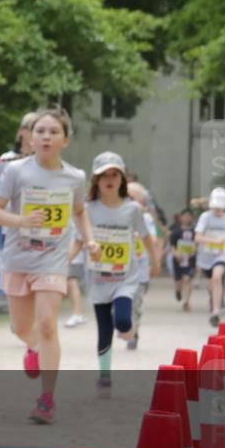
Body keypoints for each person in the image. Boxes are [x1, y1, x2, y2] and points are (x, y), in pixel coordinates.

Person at [0, 107, 98, 424]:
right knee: (21, 327)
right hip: (18, 258)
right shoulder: (16, 172)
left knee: (48, 323)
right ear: (29, 138)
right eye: (40, 131)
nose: (46, 136)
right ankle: (33, 347)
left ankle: (47, 399)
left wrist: (89, 240)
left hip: (53, 258)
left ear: (65, 139)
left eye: (53, 132)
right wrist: (21, 220)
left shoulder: (75, 177)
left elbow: (79, 212)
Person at [72, 152, 158, 397]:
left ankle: (128, 326)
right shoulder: (87, 210)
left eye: (114, 174)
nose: (109, 179)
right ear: (96, 181)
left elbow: (146, 237)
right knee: (104, 330)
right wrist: (62, 264)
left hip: (125, 278)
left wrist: (154, 261)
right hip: (98, 279)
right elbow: (79, 241)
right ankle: (105, 376)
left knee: (121, 321)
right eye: (104, 175)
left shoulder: (132, 210)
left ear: (122, 179)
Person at [126, 181, 162, 349]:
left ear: (142, 202)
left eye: (134, 198)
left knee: (136, 303)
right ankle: (125, 325)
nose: (129, 200)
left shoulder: (146, 219)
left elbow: (153, 240)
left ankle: (134, 331)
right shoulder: (118, 215)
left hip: (140, 271)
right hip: (119, 270)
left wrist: (155, 262)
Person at [195, 187, 225, 327]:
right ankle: (213, 299)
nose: (217, 210)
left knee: (216, 277)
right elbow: (198, 237)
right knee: (211, 283)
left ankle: (215, 312)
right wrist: (213, 241)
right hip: (206, 256)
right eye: (215, 207)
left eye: (220, 207)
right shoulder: (205, 217)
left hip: (221, 256)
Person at [168, 209, 197, 312]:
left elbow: (198, 244)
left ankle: (187, 302)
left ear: (192, 218)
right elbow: (172, 246)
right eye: (184, 216)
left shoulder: (195, 232)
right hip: (178, 260)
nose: (186, 218)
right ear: (181, 217)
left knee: (187, 279)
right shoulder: (176, 231)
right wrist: (176, 253)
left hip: (190, 260)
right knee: (179, 281)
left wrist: (195, 252)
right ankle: (178, 290)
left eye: (189, 216)